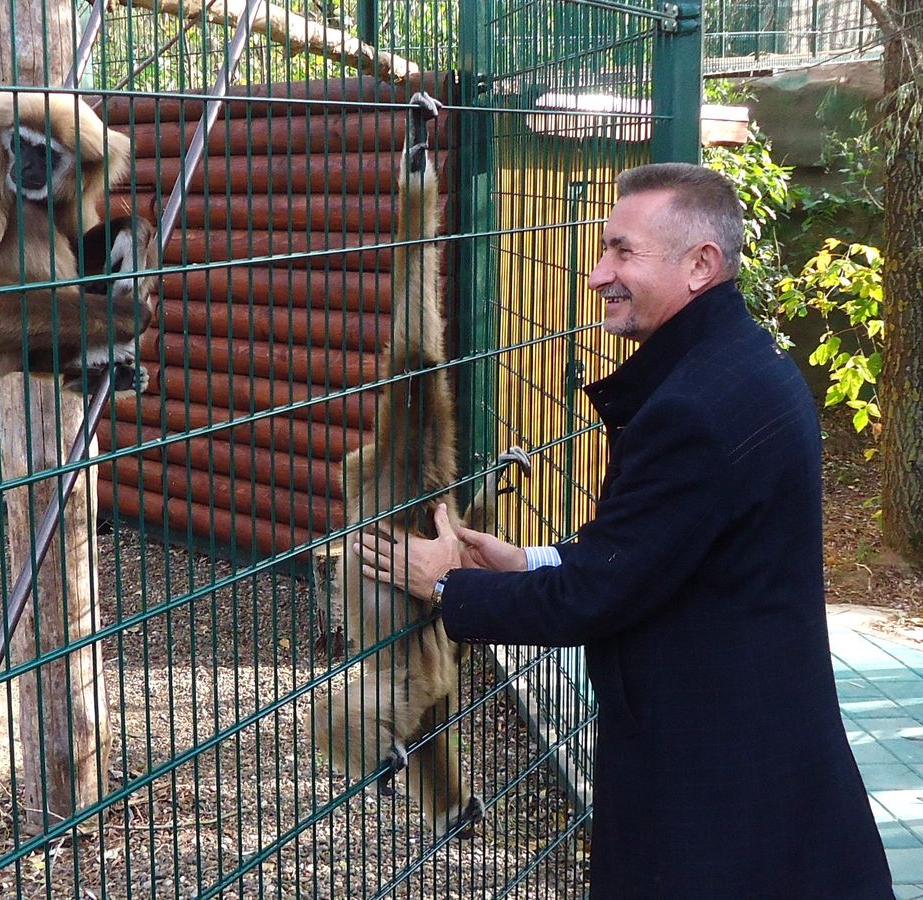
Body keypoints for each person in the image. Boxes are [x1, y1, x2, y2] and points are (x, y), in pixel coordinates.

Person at [354, 163, 893, 898]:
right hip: (759, 745)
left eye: (622, 252)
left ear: (701, 264)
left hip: (713, 781)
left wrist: (445, 584)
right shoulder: (742, 362)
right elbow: (659, 549)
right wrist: (527, 561)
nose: (597, 273)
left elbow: (598, 597)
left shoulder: (693, 409)